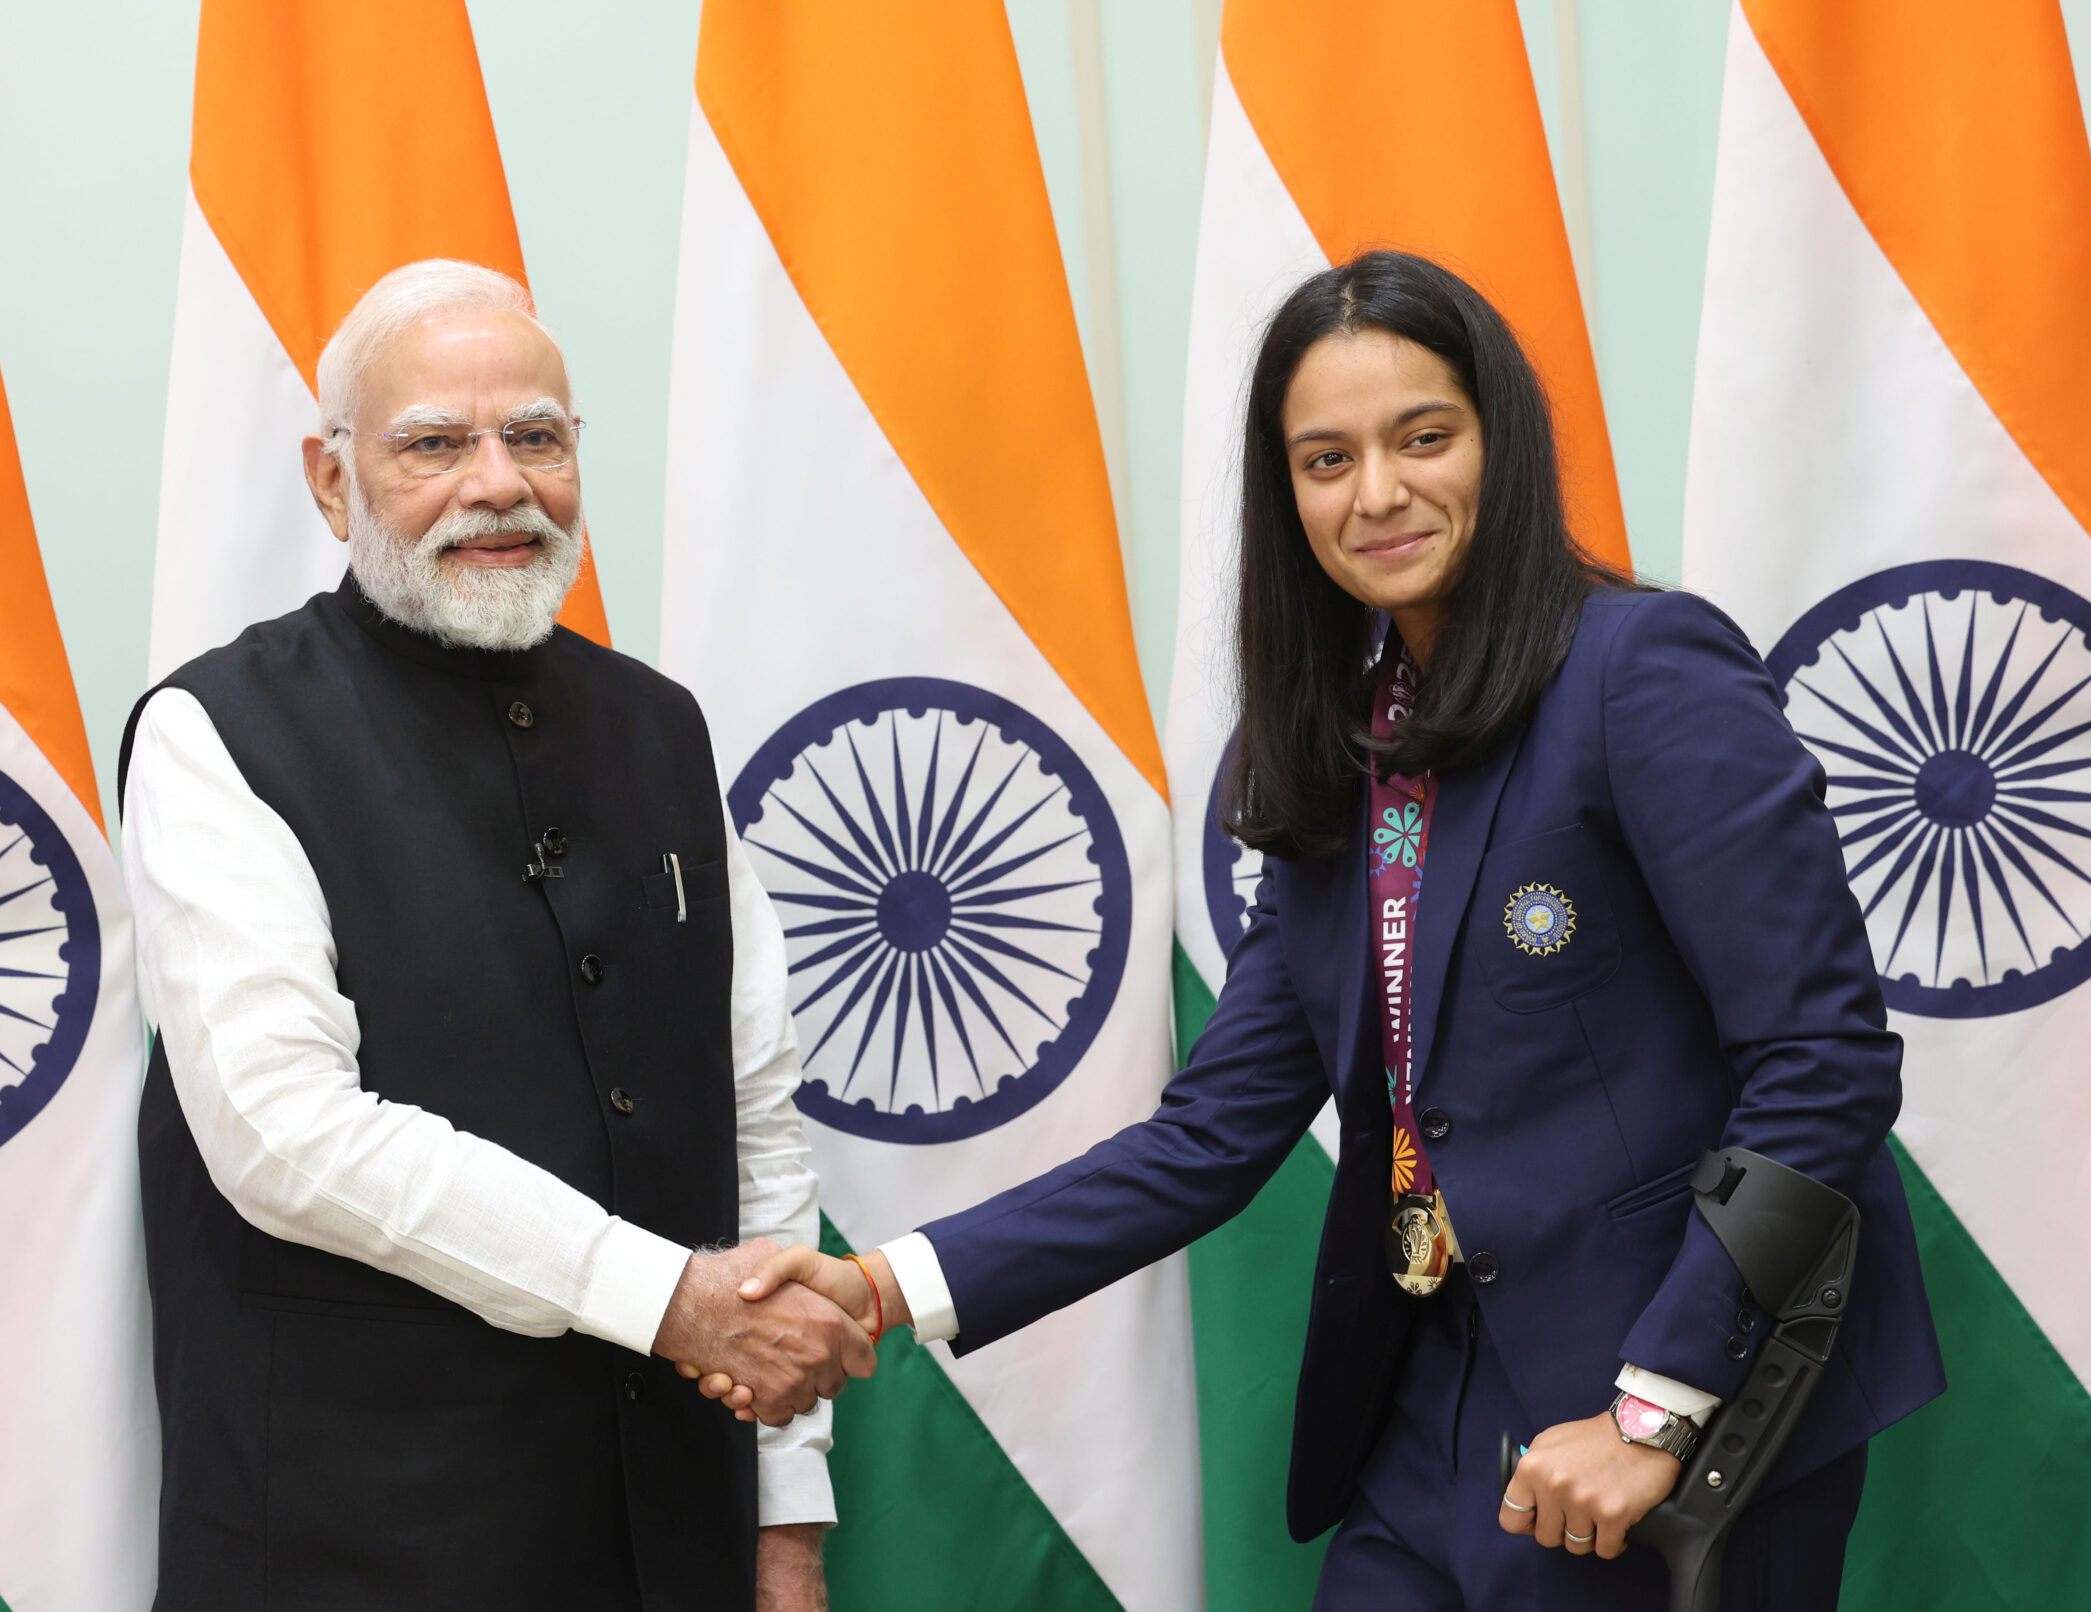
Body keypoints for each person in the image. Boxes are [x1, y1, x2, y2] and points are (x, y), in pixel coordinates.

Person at [707, 250, 1944, 1608]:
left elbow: (1823, 1060)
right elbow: (1212, 1135)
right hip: (1426, 1411)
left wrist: (1658, 1408)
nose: (1379, 494)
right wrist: (884, 1284)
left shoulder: (1641, 670)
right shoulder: (1316, 753)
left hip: (1660, 1413)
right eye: (1325, 459)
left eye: (1425, 438)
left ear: (1502, 443)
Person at [120, 258, 866, 1612]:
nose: (497, 484)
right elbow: (288, 1138)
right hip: (357, 1551)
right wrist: (666, 1299)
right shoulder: (216, 735)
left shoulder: (661, 728)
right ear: (333, 479)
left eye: (535, 437)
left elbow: (752, 1114)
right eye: (433, 445)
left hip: (673, 1539)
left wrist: (787, 1516)